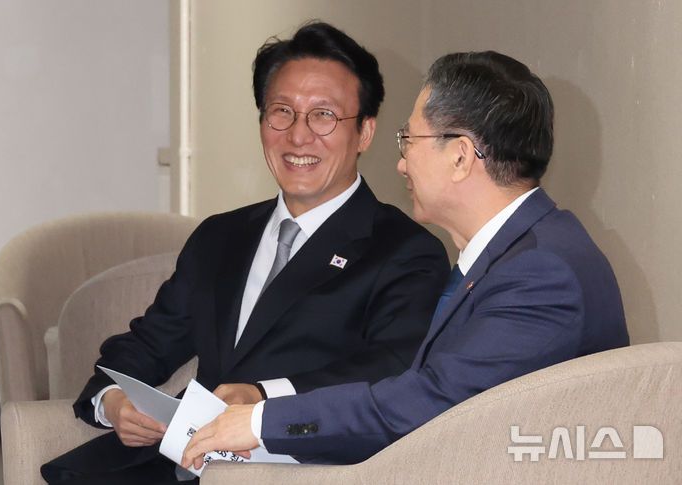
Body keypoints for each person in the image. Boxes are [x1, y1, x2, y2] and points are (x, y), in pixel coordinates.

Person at [41, 22, 449, 483]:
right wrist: (112, 398)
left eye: (323, 115)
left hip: (300, 469)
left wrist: (262, 397)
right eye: (281, 112)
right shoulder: (220, 236)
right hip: (182, 465)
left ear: (365, 132)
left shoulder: (405, 251)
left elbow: (391, 370)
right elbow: (149, 344)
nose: (298, 136)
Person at [181, 51, 630, 467]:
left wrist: (262, 421)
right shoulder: (526, 249)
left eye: (408, 140)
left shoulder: (540, 272)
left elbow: (430, 402)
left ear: (460, 157)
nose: (400, 164)